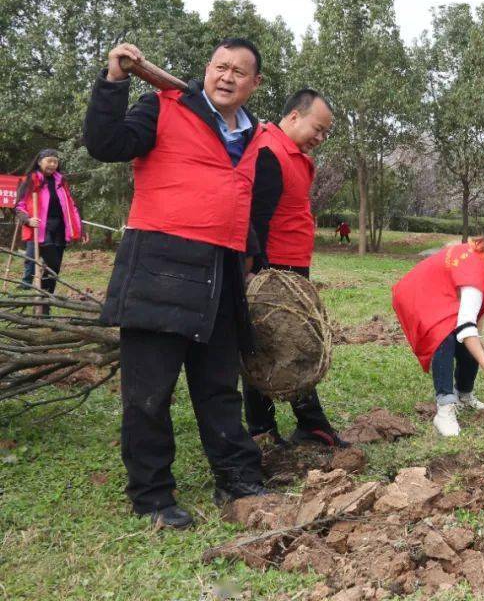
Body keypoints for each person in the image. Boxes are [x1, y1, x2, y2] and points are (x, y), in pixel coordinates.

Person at [82, 39, 269, 530]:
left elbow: (236, 198)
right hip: (158, 269)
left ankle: (237, 476)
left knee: (218, 387)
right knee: (149, 394)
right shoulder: (162, 108)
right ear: (206, 70)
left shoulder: (251, 136)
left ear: (255, 84)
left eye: (239, 71)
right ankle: (153, 496)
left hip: (221, 274)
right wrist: (114, 81)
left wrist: (251, 259)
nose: (227, 77)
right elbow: (105, 144)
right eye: (219, 67)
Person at [243, 89, 349, 448]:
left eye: (325, 133)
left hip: (292, 266)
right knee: (267, 347)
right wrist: (255, 273)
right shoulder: (268, 153)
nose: (320, 138)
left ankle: (305, 423)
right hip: (272, 270)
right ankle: (264, 427)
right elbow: (253, 219)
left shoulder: (294, 155)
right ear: (292, 117)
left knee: (294, 343)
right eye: (317, 129)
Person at [391, 216, 484, 436]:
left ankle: (464, 395)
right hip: (419, 295)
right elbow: (466, 324)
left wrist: (478, 342)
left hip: (444, 294)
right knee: (443, 336)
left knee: (472, 343)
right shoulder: (475, 271)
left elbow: (478, 311)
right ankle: (445, 408)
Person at [14, 149, 85, 306]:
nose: (52, 164)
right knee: (52, 261)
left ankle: (45, 305)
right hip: (41, 227)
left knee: (55, 267)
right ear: (40, 162)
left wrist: (81, 228)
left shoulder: (61, 181)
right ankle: (42, 296)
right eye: (49, 161)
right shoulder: (30, 180)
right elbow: (19, 206)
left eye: (55, 161)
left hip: (60, 227)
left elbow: (72, 206)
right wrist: (28, 220)